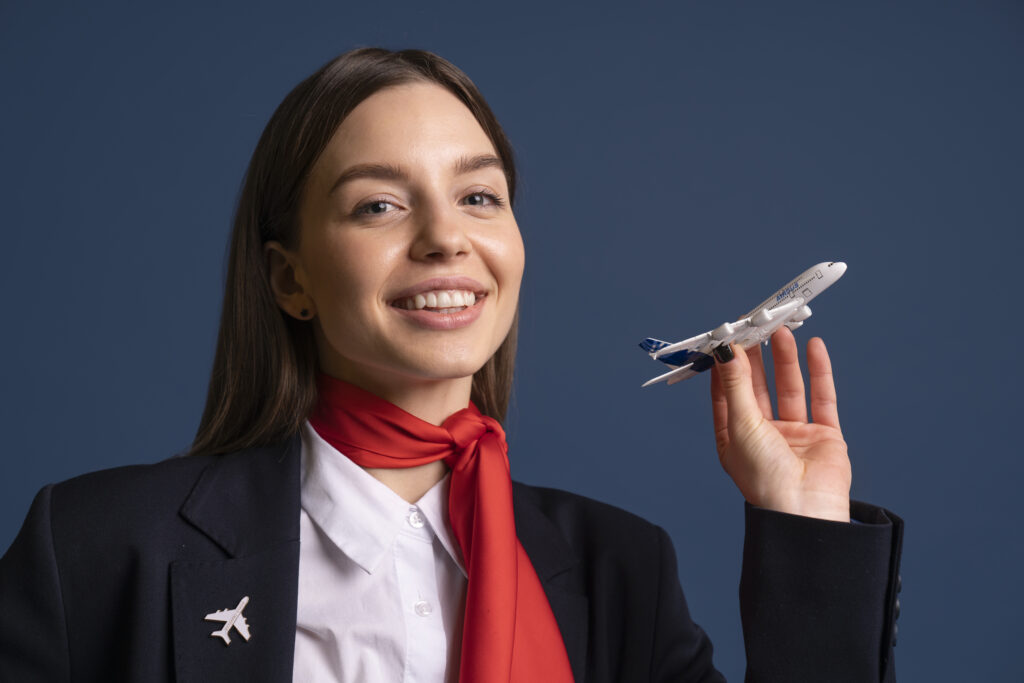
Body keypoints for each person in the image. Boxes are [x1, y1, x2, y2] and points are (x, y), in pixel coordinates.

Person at [0, 48, 902, 682]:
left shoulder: (619, 569)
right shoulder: (94, 546)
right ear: (290, 278)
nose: (446, 238)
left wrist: (806, 524)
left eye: (479, 196)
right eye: (380, 205)